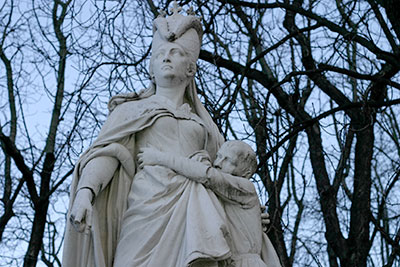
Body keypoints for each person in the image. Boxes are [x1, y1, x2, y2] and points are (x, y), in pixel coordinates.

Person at [137, 140, 281, 267]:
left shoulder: (246, 188)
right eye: (218, 156)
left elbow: (208, 175)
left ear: (246, 173)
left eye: (228, 160)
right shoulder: (225, 195)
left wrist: (159, 158)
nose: (218, 163)